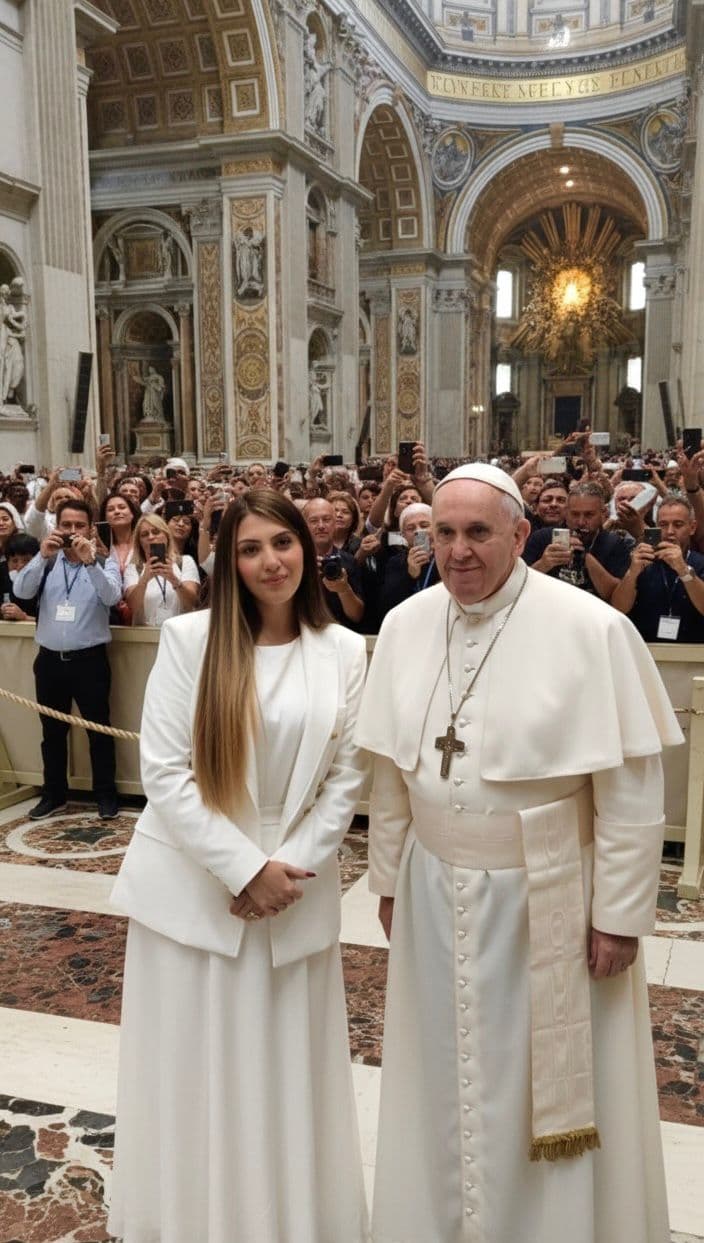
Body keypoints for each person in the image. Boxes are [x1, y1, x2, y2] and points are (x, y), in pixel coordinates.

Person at [354, 462, 681, 1243]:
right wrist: (390, 879)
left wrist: (621, 915)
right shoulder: (404, 625)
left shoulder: (590, 627)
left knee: (542, 1087)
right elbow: (394, 776)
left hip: (551, 894)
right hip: (434, 889)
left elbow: (632, 787)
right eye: (444, 532)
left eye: (478, 532)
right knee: (442, 1071)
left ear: (519, 534)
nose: (459, 551)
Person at [108, 490, 369, 1243]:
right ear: (231, 561)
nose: (269, 562)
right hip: (197, 888)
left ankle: (284, 1220)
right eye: (250, 548)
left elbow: (347, 780)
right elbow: (164, 772)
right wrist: (242, 868)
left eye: (281, 544)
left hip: (295, 888)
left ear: (306, 549)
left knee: (283, 1072)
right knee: (196, 1070)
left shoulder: (345, 651)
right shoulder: (192, 642)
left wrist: (283, 869)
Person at [13, 498, 122, 820]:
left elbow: (112, 597)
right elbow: (21, 591)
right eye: (66, 525)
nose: (73, 532)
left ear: (90, 528)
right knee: (52, 734)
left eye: (79, 526)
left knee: (99, 731)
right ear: (56, 527)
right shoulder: (46, 561)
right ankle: (54, 794)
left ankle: (106, 795)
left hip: (90, 661)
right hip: (49, 661)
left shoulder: (105, 560)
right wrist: (41, 556)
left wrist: (91, 563)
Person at [611, 494, 704, 641]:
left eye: (678, 525)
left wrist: (684, 570)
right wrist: (632, 573)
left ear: (692, 528)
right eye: (663, 525)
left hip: (693, 652)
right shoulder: (642, 560)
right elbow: (618, 609)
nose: (670, 531)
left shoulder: (700, 563)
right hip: (648, 650)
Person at [524, 481, 630, 600]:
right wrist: (544, 564)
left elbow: (615, 598)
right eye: (574, 514)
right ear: (566, 512)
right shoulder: (543, 537)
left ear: (603, 513)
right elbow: (519, 585)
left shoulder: (614, 543)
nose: (580, 522)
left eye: (589, 515)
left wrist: (586, 557)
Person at [123, 514, 199, 627]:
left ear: (167, 536)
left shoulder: (185, 562)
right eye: (144, 534)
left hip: (180, 634)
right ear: (140, 542)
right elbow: (132, 607)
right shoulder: (133, 568)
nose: (151, 537)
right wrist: (144, 580)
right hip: (146, 637)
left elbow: (192, 603)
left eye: (156, 532)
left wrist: (174, 580)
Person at [303, 497, 364, 628]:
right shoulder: (294, 561)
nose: (321, 526)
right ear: (304, 525)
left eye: (326, 520)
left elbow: (357, 616)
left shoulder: (348, 561)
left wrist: (344, 590)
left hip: (339, 635)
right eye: (314, 521)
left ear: (335, 524)